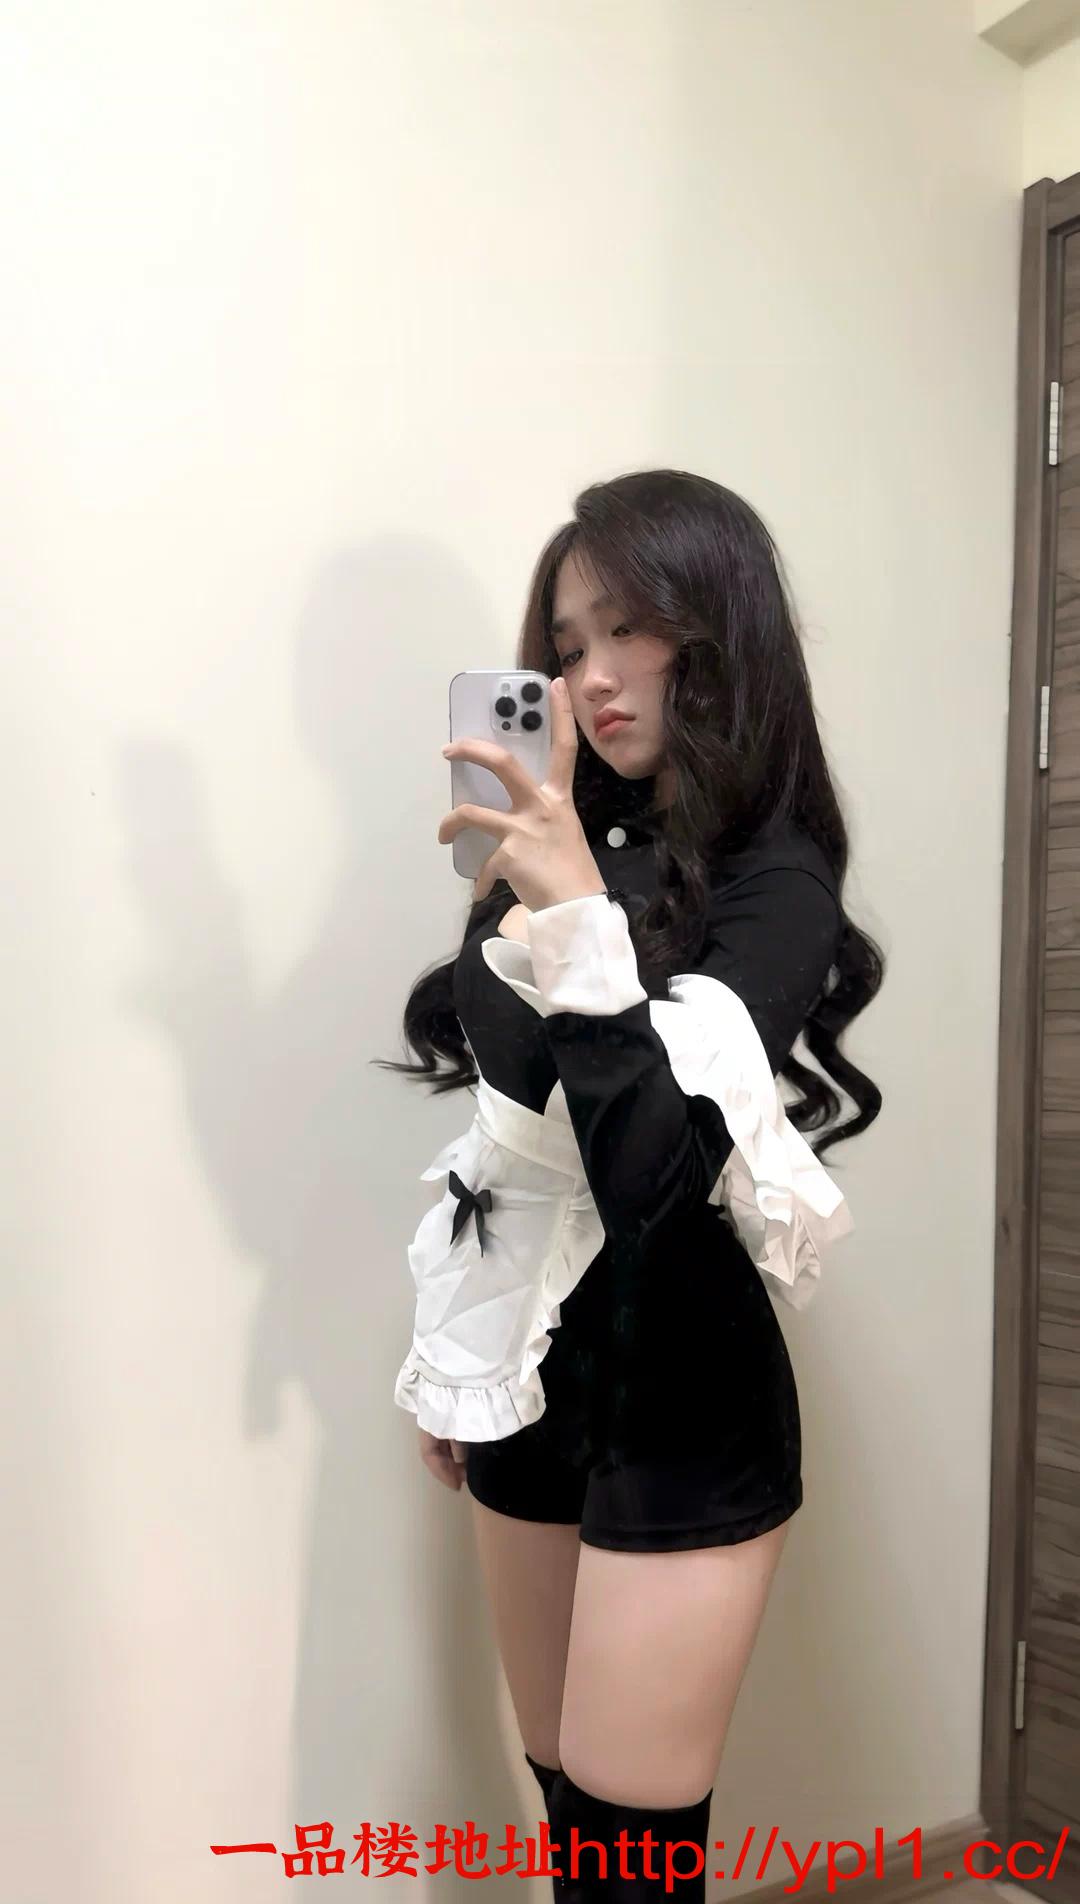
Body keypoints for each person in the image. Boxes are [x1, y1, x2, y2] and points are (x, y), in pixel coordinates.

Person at [376, 468, 884, 1900]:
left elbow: (652, 1166)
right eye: (566, 644)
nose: (591, 677)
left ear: (717, 626)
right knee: (562, 1804)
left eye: (627, 628)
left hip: (683, 1387)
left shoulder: (775, 879)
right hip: (531, 1379)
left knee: (629, 1855)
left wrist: (577, 919)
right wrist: (461, 1355)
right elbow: (516, 1136)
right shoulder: (557, 842)